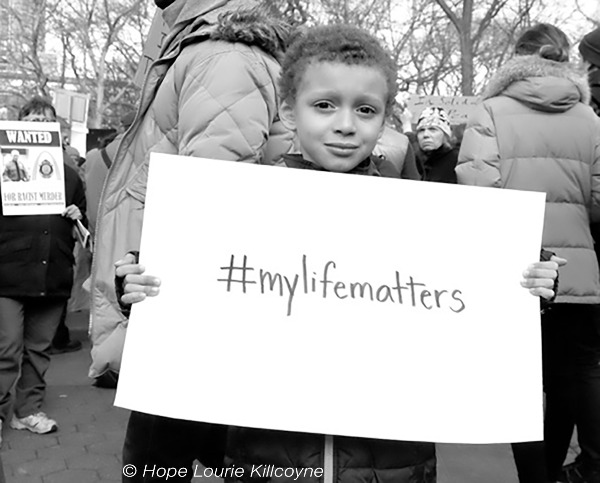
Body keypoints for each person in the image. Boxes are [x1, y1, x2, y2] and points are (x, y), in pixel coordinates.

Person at [116, 23, 568, 483]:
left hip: (391, 463)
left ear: (385, 118)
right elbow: (190, 301)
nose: (346, 124)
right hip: (267, 457)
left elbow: (477, 296)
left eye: (365, 109)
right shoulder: (237, 214)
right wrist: (139, 285)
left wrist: (529, 282)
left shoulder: (423, 221)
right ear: (290, 112)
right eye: (324, 105)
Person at [88, 0, 293, 480]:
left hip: (192, 345)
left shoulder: (224, 56)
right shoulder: (195, 41)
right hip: (174, 320)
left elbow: (211, 215)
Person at [456, 23, 600, 483]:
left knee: (520, 386)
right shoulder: (589, 117)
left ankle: (533, 477)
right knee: (574, 376)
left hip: (518, 272)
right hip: (578, 269)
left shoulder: (492, 110)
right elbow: (598, 200)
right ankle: (570, 469)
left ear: (515, 60)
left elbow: (479, 190)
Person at [0, 96, 87, 443]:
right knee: (7, 348)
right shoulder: (4, 170)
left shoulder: (70, 176)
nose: (38, 129)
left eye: (45, 123)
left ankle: (27, 410)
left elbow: (86, 225)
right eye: (31, 123)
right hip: (8, 275)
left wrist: (78, 218)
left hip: (52, 276)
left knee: (38, 349)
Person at [415, 107, 458, 183]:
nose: (425, 135)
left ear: (445, 135)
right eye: (421, 130)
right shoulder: (413, 162)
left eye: (433, 129)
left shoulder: (456, 162)